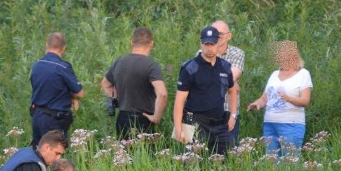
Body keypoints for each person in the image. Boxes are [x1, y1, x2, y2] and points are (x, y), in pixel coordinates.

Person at [172, 26, 238, 154]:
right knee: (194, 164)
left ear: (218, 43)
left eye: (212, 44)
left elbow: (232, 90)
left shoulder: (225, 66)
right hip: (196, 123)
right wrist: (178, 128)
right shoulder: (190, 68)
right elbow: (179, 102)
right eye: (206, 44)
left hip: (220, 123)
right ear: (201, 43)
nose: (209, 48)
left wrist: (233, 115)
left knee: (223, 162)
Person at [247, 41, 313, 157]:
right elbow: (265, 98)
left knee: (290, 162)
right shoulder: (274, 74)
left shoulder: (303, 74)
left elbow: (305, 101)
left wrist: (289, 98)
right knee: (271, 163)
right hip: (270, 124)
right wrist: (257, 103)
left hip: (291, 125)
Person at [100, 27, 167, 140]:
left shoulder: (119, 62)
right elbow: (162, 94)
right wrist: (156, 117)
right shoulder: (151, 65)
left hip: (123, 117)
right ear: (151, 43)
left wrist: (115, 97)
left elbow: (105, 84)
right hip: (144, 119)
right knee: (145, 155)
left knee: (123, 156)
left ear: (132, 42)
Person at [29, 32, 85, 147]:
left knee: (38, 153)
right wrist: (73, 97)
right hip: (53, 119)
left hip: (37, 116)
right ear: (64, 48)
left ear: (46, 45)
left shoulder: (36, 66)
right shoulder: (62, 67)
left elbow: (47, 88)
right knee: (55, 156)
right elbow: (80, 93)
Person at [212, 20, 246, 144]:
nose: (216, 36)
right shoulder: (201, 53)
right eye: (214, 33)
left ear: (229, 36)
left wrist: (229, 80)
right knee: (201, 155)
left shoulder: (237, 53)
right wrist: (230, 81)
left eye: (220, 33)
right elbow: (200, 81)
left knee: (228, 155)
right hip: (205, 113)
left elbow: (229, 79)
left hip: (228, 113)